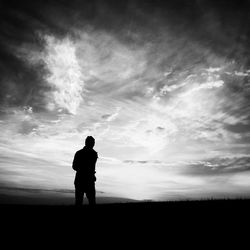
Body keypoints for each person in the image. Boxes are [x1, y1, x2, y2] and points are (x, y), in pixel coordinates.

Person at [72, 136, 98, 206]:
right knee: (81, 201)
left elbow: (74, 166)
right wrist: (88, 173)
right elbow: (74, 166)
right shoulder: (93, 154)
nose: (93, 144)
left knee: (87, 201)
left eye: (93, 143)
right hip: (84, 180)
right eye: (92, 142)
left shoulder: (93, 154)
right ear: (87, 143)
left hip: (86, 180)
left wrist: (92, 174)